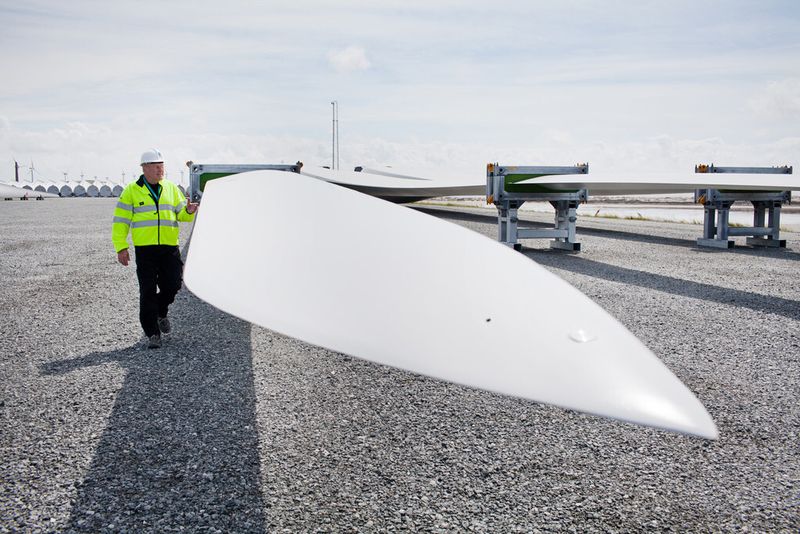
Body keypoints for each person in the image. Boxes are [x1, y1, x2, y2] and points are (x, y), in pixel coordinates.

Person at [112, 149, 198, 348]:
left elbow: (181, 216)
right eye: (156, 166)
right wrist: (121, 247)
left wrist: (189, 211)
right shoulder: (131, 191)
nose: (161, 170)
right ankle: (152, 333)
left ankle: (161, 311)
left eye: (162, 166)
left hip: (169, 247)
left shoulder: (171, 188)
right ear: (145, 168)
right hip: (146, 250)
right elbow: (120, 222)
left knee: (174, 284)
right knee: (147, 291)